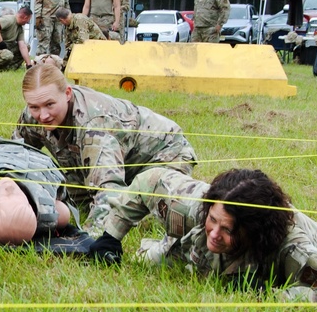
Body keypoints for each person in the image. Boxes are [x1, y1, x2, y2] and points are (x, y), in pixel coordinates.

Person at [88, 167, 317, 302]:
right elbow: (146, 182)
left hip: (312, 239)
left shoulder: (292, 247)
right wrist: (111, 236)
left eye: (228, 230)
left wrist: (270, 295)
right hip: (195, 254)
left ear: (254, 231)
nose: (214, 233)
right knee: (147, 261)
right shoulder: (194, 203)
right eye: (213, 220)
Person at [13, 63, 197, 233]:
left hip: (164, 156)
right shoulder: (32, 115)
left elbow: (109, 191)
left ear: (68, 93)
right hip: (115, 162)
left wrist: (87, 239)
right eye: (34, 107)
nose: (43, 115)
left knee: (137, 210)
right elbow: (13, 158)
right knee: (69, 203)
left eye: (49, 105)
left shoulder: (94, 124)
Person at [0, 6, 34, 72]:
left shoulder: (20, 28)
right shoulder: (10, 19)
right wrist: (0, 42)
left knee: (27, 47)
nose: (28, 22)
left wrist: (29, 65)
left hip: (3, 47)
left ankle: (8, 68)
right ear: (25, 17)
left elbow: (22, 47)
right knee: (7, 55)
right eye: (29, 19)